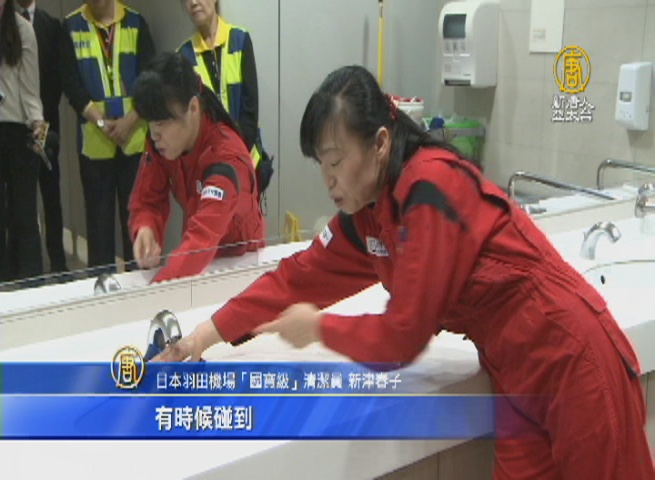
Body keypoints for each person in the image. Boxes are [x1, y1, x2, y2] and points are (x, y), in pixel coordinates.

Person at [154, 65, 655, 479]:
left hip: (570, 359)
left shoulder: (430, 187)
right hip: (512, 375)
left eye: (336, 162)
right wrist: (203, 336)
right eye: (320, 166)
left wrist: (321, 328)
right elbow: (296, 278)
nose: (328, 181)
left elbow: (403, 335)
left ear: (380, 142)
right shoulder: (369, 214)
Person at [128, 52, 264, 284]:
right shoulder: (163, 142)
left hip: (240, 265)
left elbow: (201, 241)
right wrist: (145, 227)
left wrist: (155, 292)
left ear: (192, 108)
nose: (154, 134)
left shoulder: (226, 158)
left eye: (161, 123)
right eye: (149, 124)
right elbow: (148, 198)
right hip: (195, 263)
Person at [60, 0, 154, 275]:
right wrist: (101, 123)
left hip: (133, 143)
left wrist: (129, 122)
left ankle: (139, 289)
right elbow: (71, 85)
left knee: (136, 223)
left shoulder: (136, 23)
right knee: (98, 229)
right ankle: (102, 291)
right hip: (95, 146)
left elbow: (150, 79)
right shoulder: (71, 26)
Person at [178, 0, 273, 200]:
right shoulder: (183, 56)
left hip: (246, 162)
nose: (193, 3)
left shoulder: (240, 39)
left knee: (246, 220)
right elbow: (189, 124)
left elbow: (250, 110)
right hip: (208, 171)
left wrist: (234, 157)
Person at [15, 0, 68, 274]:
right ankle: (23, 266)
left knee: (51, 196)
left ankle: (58, 263)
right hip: (14, 127)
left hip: (46, 124)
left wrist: (42, 121)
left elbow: (58, 76)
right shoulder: (7, 23)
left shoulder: (51, 25)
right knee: (19, 200)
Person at [0, 0, 46, 284]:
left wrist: (37, 125)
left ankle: (30, 284)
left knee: (24, 213)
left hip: (17, 130)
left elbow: (31, 91)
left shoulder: (23, 30)